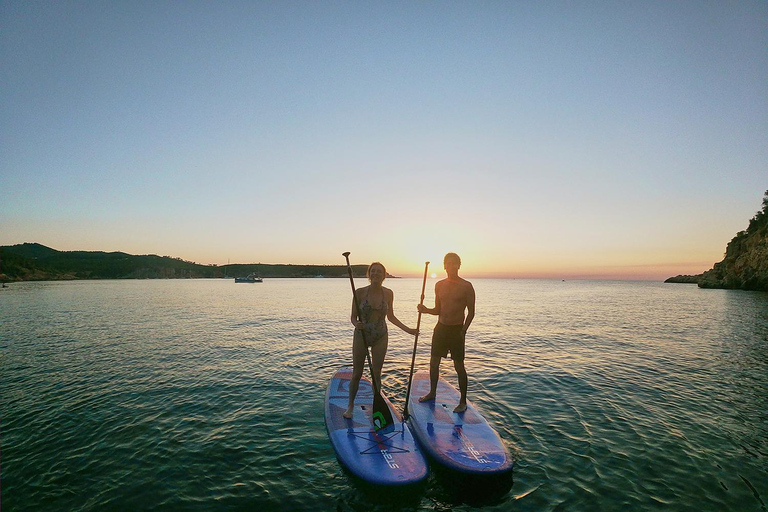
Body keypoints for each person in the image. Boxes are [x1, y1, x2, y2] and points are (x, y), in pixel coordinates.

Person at [344, 262, 418, 419]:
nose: (375, 274)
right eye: (373, 271)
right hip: (361, 336)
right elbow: (353, 316)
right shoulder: (359, 293)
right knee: (357, 373)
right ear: (369, 274)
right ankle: (350, 406)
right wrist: (356, 323)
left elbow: (391, 316)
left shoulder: (389, 293)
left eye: (379, 272)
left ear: (384, 275)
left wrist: (408, 330)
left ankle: (376, 408)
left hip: (381, 336)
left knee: (376, 374)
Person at [417, 252, 476, 413]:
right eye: (448, 263)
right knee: (434, 363)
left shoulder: (466, 286)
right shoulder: (439, 285)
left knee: (459, 366)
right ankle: (432, 392)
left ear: (459, 265)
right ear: (444, 266)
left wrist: (463, 331)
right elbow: (438, 310)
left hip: (457, 330)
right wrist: (425, 310)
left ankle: (462, 401)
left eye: (454, 263)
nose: (451, 266)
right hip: (441, 328)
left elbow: (471, 312)